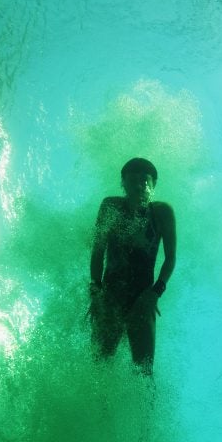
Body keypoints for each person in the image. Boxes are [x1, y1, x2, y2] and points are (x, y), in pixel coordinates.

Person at [89, 157, 177, 375]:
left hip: (143, 299)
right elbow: (98, 250)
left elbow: (170, 258)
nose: (140, 185)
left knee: (144, 371)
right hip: (110, 294)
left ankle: (146, 409)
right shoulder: (111, 206)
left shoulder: (162, 212)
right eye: (133, 180)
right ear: (123, 183)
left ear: (154, 184)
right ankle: (97, 407)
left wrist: (156, 292)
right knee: (100, 364)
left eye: (145, 180)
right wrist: (95, 290)